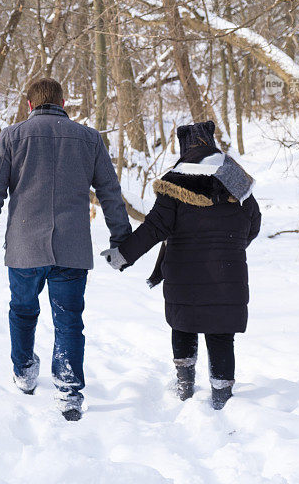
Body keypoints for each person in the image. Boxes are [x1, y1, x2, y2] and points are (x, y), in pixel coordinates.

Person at [0, 77, 132, 421]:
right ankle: (69, 392)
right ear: (64, 103)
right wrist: (121, 239)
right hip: (71, 249)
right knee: (68, 321)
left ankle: (25, 370)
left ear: (29, 105)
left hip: (24, 247)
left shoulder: (12, 136)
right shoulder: (89, 138)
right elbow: (109, 192)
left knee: (23, 310)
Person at [101, 120, 261, 410]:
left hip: (183, 272)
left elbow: (154, 228)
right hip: (228, 272)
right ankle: (222, 394)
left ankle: (185, 386)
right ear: (211, 142)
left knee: (184, 325)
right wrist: (230, 247)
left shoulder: (174, 181)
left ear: (184, 146)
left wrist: (123, 254)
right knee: (221, 332)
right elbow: (253, 223)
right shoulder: (237, 179)